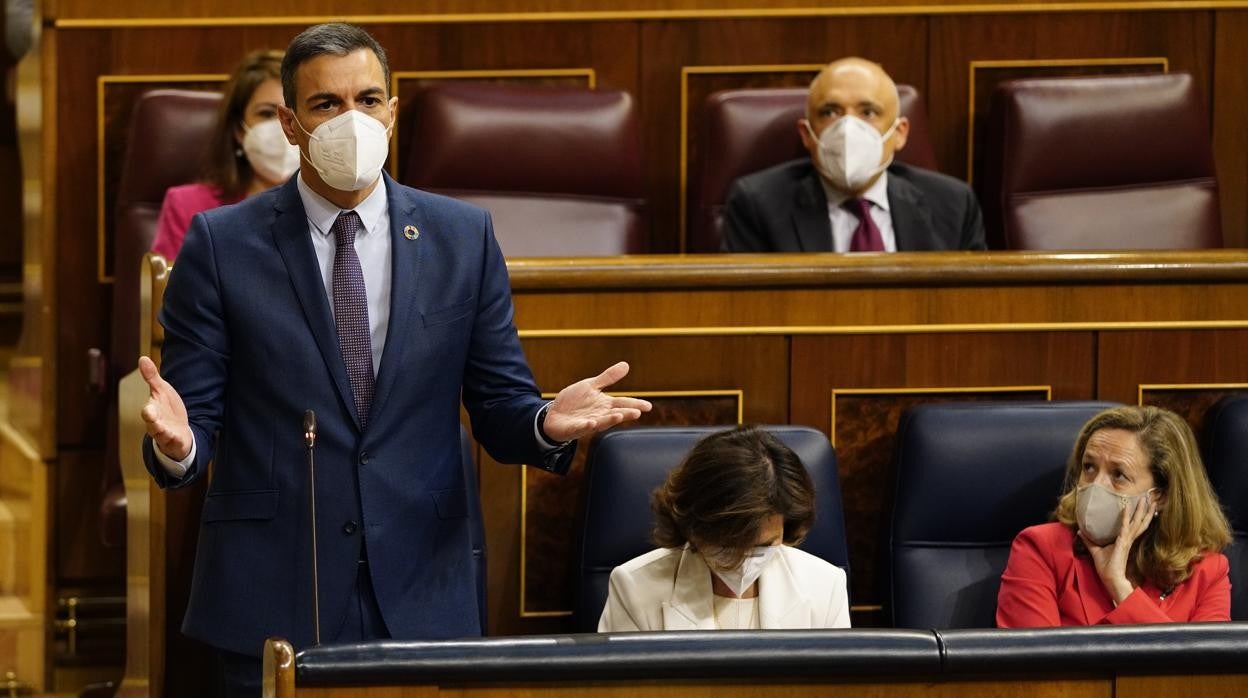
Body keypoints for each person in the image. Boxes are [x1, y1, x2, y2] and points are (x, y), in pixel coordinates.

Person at [137, 23, 652, 695]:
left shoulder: (461, 236)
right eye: (326, 105)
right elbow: (194, 422)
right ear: (291, 125)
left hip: (422, 582)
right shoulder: (222, 243)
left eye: (369, 99)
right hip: (275, 584)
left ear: (393, 111)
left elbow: (499, 403)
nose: (352, 119)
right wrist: (178, 446)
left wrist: (544, 423)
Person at [997, 406, 1232, 627]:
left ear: (1160, 495)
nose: (1096, 485)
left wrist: (1119, 587)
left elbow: (1201, 668)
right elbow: (1037, 665)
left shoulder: (1207, 572)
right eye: (1089, 467)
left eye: (1118, 475)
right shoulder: (1041, 549)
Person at [722, 57, 986, 253]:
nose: (848, 128)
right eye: (830, 112)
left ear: (900, 134)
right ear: (806, 134)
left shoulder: (953, 204)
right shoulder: (758, 205)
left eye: (868, 112)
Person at [598, 426, 850, 631]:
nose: (743, 560)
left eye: (763, 545)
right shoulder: (634, 587)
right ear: (693, 527)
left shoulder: (825, 587)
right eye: (728, 545)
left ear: (786, 527)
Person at [151, 49, 300, 260]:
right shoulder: (187, 206)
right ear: (238, 131)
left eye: (292, 115)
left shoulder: (329, 206)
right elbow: (171, 290)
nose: (282, 127)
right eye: (266, 114)